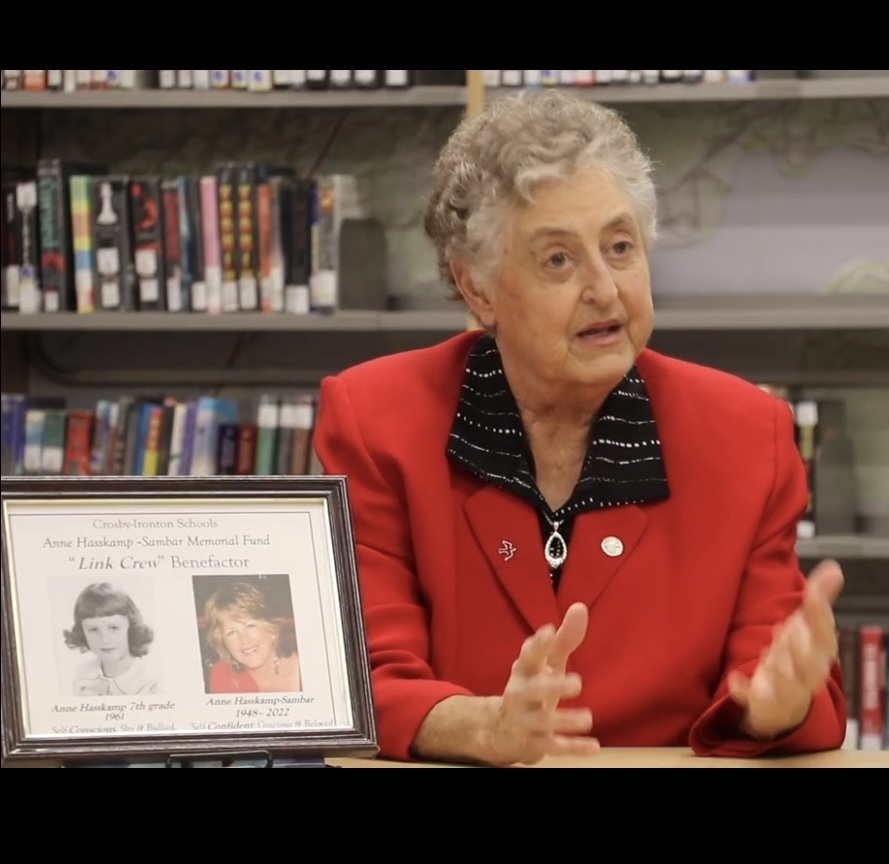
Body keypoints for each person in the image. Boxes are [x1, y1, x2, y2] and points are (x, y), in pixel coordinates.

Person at [313, 88, 847, 766]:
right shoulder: (377, 419)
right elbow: (363, 674)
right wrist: (479, 729)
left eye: (619, 247)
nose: (604, 289)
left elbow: (777, 669)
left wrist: (775, 708)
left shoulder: (748, 435)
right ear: (476, 286)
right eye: (558, 260)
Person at [202, 580, 302, 693]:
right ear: (222, 641)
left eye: (250, 626)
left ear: (272, 628)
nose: (244, 640)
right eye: (231, 632)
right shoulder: (221, 675)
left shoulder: (311, 666)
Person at [63, 582, 159, 697]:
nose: (104, 639)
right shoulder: (79, 678)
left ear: (131, 627)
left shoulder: (152, 682)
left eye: (113, 628)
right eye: (93, 630)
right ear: (82, 633)